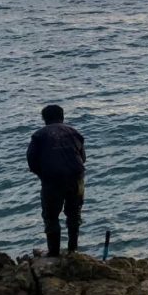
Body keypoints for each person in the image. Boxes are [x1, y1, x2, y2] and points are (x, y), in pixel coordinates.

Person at [26, 104, 85, 257]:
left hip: (52, 180)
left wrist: (43, 175)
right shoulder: (74, 132)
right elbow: (82, 157)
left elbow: (31, 160)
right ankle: (73, 250)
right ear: (62, 117)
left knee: (51, 216)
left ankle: (53, 253)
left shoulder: (39, 136)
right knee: (74, 213)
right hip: (76, 178)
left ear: (44, 119)